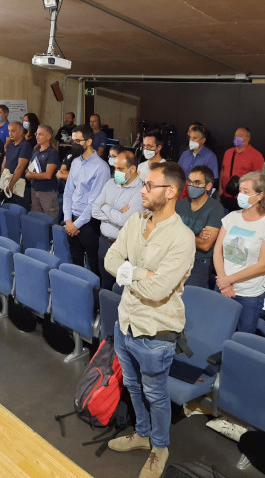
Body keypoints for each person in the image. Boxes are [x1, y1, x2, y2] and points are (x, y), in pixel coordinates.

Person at [105, 162, 195, 478]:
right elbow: (110, 259)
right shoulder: (135, 221)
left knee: (156, 394)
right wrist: (141, 272)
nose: (141, 190)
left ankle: (159, 446)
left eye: (148, 185)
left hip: (156, 331)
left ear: (170, 192)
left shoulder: (182, 238)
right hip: (126, 320)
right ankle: (142, 434)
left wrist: (130, 272)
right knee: (132, 385)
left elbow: (158, 290)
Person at [213, 172, 265, 333]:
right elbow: (218, 251)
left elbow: (262, 266)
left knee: (243, 337)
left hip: (249, 294)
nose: (240, 195)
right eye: (240, 190)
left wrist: (229, 280)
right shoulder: (232, 217)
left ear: (260, 196)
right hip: (222, 286)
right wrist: (224, 282)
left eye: (246, 192)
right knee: (218, 332)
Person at [91, 150, 144, 289]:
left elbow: (125, 221)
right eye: (115, 168)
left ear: (132, 169)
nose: (116, 172)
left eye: (120, 169)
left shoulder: (141, 191)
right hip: (103, 243)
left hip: (124, 248)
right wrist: (117, 213)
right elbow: (94, 211)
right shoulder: (110, 183)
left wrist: (107, 207)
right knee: (105, 284)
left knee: (121, 288)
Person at [63, 125, 110, 275]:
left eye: (78, 140)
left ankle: (94, 297)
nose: (74, 144)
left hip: (89, 223)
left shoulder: (101, 167)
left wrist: (76, 224)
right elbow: (68, 193)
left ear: (89, 141)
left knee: (93, 265)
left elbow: (95, 202)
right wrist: (68, 220)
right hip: (71, 221)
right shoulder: (75, 162)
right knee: (75, 262)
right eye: (73, 140)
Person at [176, 165, 225, 289]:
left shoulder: (215, 208)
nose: (192, 186)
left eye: (197, 183)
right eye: (190, 182)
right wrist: (196, 236)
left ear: (208, 186)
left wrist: (176, 234)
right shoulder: (179, 204)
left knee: (190, 296)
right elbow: (165, 232)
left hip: (198, 261)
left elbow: (205, 245)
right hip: (176, 255)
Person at [218, 127, 264, 212]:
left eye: (240, 135)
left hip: (243, 198)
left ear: (248, 138)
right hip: (225, 196)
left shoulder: (256, 155)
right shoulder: (228, 152)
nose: (236, 138)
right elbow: (222, 170)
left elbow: (259, 178)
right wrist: (220, 189)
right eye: (235, 136)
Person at [25, 124, 60, 220]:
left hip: (47, 191)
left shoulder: (52, 153)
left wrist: (32, 175)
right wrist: (30, 174)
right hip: (34, 189)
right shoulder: (36, 151)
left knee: (50, 220)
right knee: (37, 219)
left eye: (40, 134)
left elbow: (48, 175)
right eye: (37, 134)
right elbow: (29, 170)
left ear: (48, 136)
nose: (37, 136)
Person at [1, 121, 33, 210]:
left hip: (19, 184)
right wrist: (3, 182)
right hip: (7, 182)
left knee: (20, 210)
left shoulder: (25, 145)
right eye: (9, 131)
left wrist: (11, 184)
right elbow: (4, 164)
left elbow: (20, 168)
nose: (10, 133)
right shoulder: (11, 145)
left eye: (13, 131)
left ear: (21, 132)